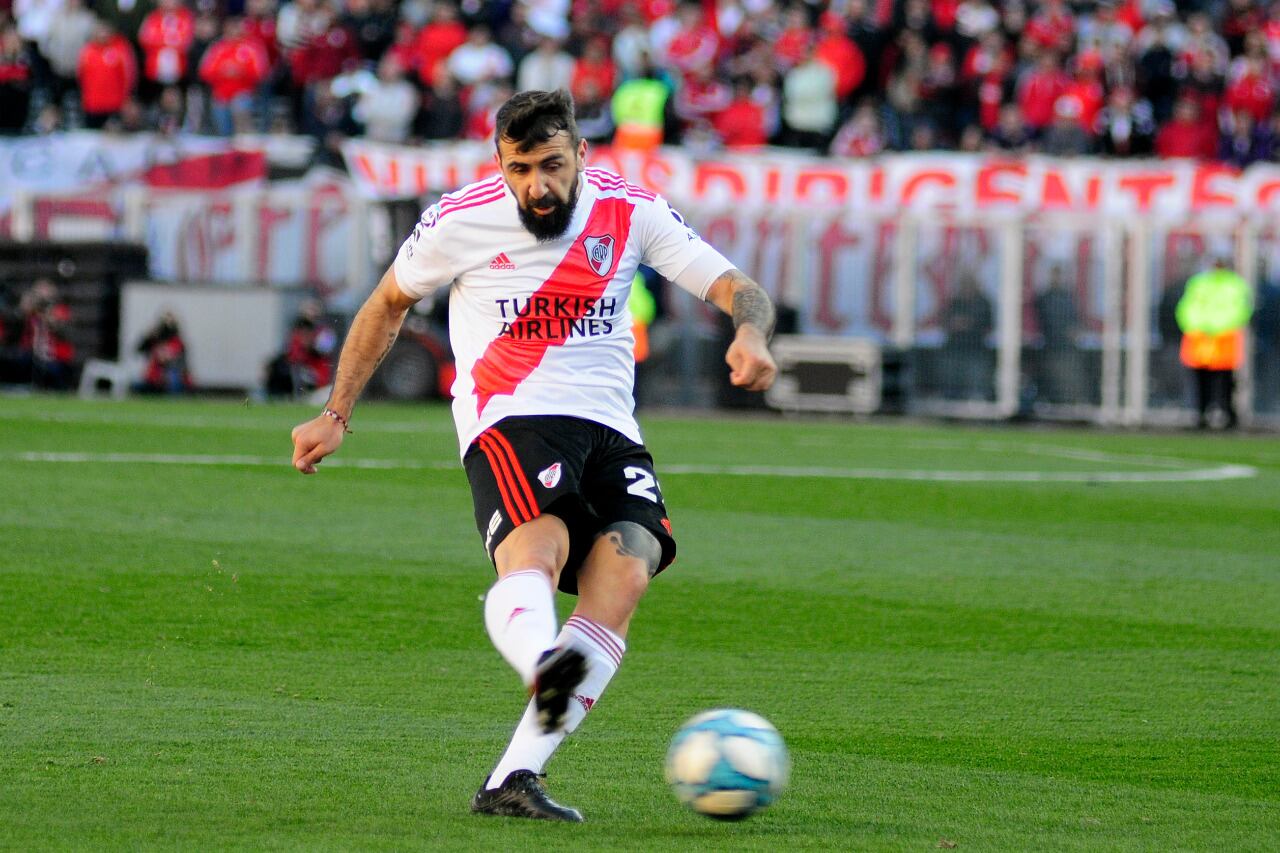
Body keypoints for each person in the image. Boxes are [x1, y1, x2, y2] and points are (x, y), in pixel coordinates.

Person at [290, 89, 776, 822]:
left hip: (611, 426)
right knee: (539, 552)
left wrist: (751, 333)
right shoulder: (460, 217)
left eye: (552, 164)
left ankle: (513, 778)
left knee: (626, 575)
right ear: (500, 162)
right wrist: (336, 412)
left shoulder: (630, 208)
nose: (536, 186)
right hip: (511, 417)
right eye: (520, 168)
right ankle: (540, 662)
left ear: (582, 153)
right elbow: (387, 303)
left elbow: (740, 288)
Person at [1176, 256, 1253, 428]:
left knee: (1223, 380)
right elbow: (1187, 308)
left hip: (1223, 339)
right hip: (1199, 339)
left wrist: (1217, 328)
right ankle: (1201, 414)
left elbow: (1239, 310)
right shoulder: (1198, 283)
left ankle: (1226, 414)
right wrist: (1197, 327)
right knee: (1200, 379)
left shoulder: (1234, 284)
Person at [939, 273, 994, 401]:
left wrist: (969, 323)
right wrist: (955, 324)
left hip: (975, 348)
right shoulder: (955, 302)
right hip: (954, 348)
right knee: (951, 378)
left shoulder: (983, 302)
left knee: (975, 381)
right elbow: (944, 321)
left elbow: (987, 323)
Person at [134, 311, 191, 393]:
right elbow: (139, 349)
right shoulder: (154, 340)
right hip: (154, 376)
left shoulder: (177, 342)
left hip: (171, 376)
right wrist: (148, 336)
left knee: (172, 381)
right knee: (138, 387)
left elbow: (179, 362)